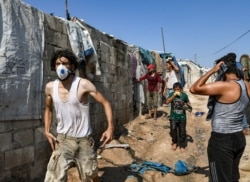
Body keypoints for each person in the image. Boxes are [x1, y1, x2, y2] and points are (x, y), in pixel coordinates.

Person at [44, 49, 114, 182]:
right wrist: (47, 131)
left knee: (90, 175)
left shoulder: (83, 84)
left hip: (84, 140)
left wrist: (110, 127)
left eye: (65, 63)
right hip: (63, 140)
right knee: (53, 177)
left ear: (73, 66)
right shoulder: (50, 87)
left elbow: (105, 103)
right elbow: (48, 109)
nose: (61, 67)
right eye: (58, 64)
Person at [189, 52, 250, 182]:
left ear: (222, 68)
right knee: (233, 177)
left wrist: (212, 71)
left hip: (222, 141)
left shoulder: (225, 86)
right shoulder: (246, 85)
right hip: (238, 138)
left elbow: (194, 88)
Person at [166, 82, 191, 152]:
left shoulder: (184, 95)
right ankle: (174, 142)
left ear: (181, 89)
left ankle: (182, 145)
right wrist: (174, 96)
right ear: (173, 90)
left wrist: (187, 106)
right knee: (173, 130)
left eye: (178, 89)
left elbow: (189, 104)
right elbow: (167, 102)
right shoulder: (171, 94)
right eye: (175, 89)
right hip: (173, 117)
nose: (177, 91)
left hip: (182, 117)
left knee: (182, 131)